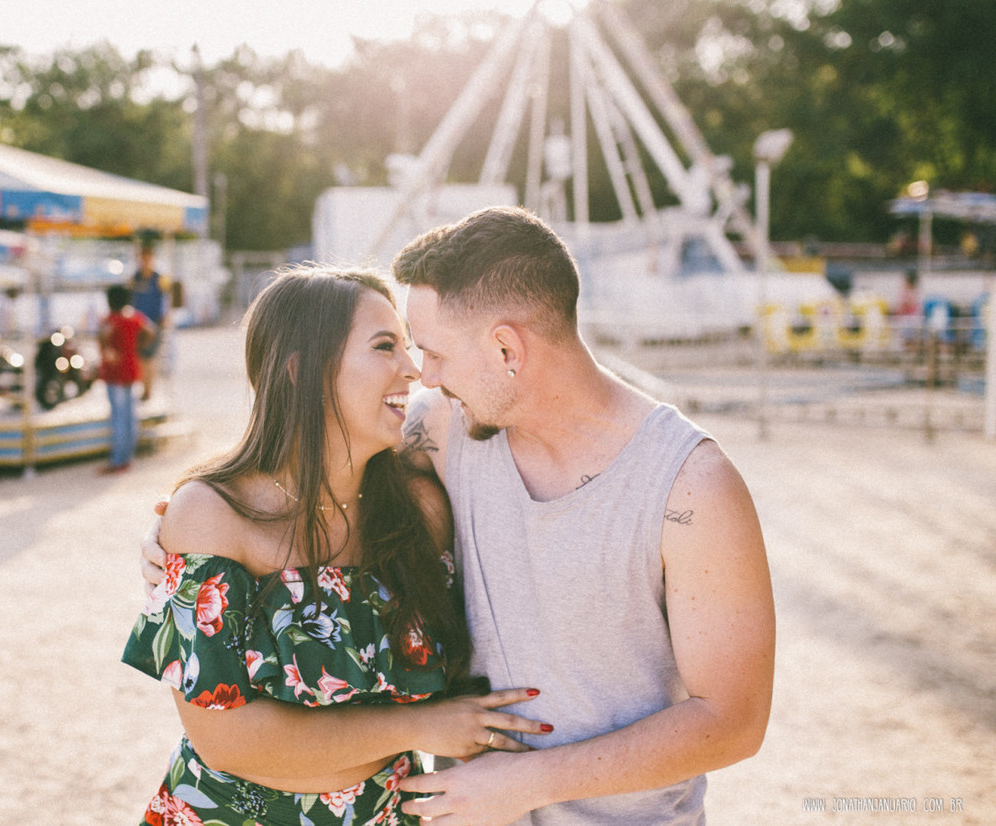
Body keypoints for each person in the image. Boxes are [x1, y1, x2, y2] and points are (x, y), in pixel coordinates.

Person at [142, 208, 775, 824]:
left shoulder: (691, 487)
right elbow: (310, 456)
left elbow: (734, 721)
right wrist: (178, 537)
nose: (424, 375)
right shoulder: (448, 429)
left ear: (506, 348)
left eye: (434, 353)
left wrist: (526, 782)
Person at [122, 267, 550, 825]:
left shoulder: (420, 511)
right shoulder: (212, 515)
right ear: (303, 370)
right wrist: (421, 725)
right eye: (384, 346)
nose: (413, 369)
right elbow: (225, 739)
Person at [99, 284, 155, 474]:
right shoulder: (135, 317)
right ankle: (128, 458)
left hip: (115, 372)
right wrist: (139, 347)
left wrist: (108, 351)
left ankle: (118, 461)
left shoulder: (111, 319)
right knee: (130, 416)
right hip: (131, 367)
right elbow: (150, 331)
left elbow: (103, 337)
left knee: (118, 418)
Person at [129, 243, 170, 401]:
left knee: (150, 357)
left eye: (147, 258)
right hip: (138, 323)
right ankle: (144, 388)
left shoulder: (159, 279)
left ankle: (148, 390)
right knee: (140, 358)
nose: (144, 262)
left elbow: (166, 300)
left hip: (154, 323)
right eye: (142, 258)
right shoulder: (135, 278)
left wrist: (164, 318)